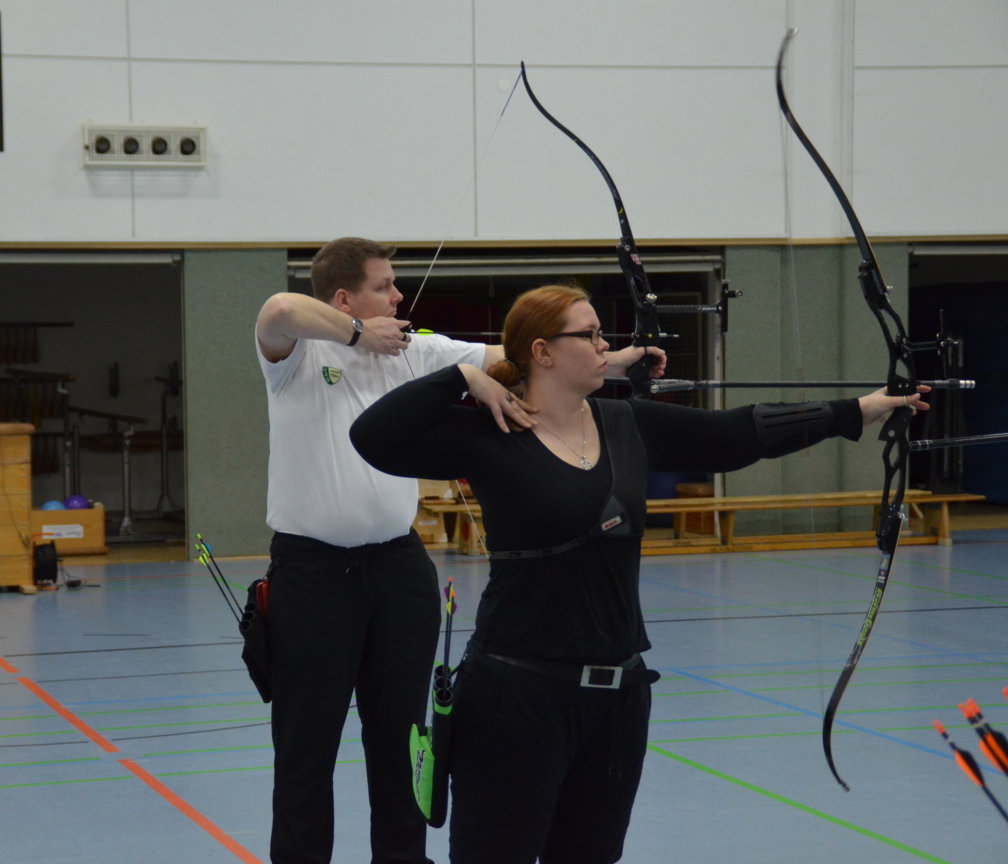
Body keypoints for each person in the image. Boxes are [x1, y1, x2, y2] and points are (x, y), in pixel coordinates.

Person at [349, 284, 929, 864]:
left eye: (602, 334)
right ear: (543, 352)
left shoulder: (626, 422)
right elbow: (372, 437)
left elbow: (737, 434)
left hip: (618, 699)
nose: (606, 345)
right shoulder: (490, 430)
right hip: (515, 696)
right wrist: (459, 378)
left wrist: (858, 409)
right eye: (590, 335)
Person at [254, 240, 662, 864]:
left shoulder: (414, 350)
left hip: (398, 570)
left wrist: (618, 360)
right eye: (384, 286)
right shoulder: (297, 354)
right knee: (305, 748)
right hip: (313, 575)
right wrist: (359, 335)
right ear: (343, 298)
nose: (398, 296)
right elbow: (280, 309)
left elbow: (525, 358)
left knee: (403, 743)